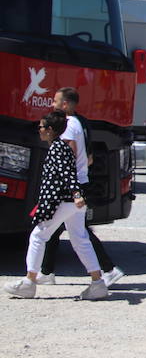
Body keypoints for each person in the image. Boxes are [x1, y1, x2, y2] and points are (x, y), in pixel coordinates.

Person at [4, 110, 108, 300]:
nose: (39, 130)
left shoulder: (57, 148)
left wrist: (76, 194)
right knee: (80, 239)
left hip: (61, 200)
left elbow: (67, 174)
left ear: (50, 130)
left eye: (41, 127)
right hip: (71, 202)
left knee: (38, 236)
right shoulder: (62, 147)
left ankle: (29, 281)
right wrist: (77, 196)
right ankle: (97, 283)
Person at [37, 88, 124, 288]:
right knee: (60, 228)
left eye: (56, 101)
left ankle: (108, 270)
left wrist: (69, 183)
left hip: (70, 184)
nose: (52, 104)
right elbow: (90, 156)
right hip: (80, 180)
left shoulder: (67, 126)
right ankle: (46, 271)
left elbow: (68, 157)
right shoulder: (82, 123)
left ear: (65, 104)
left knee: (72, 231)